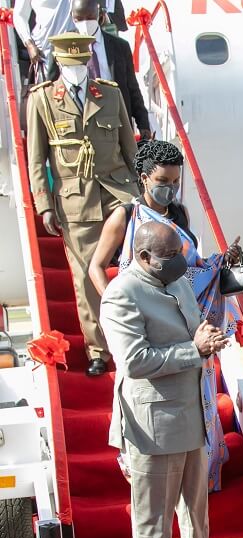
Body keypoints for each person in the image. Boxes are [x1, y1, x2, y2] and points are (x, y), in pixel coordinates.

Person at [89, 140, 242, 492]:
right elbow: (97, 266)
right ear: (144, 178)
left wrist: (220, 261)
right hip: (149, 323)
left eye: (176, 182)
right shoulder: (125, 216)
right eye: (163, 180)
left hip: (187, 318)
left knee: (198, 389)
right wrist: (118, 303)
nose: (170, 189)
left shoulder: (180, 215)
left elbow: (192, 269)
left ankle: (201, 472)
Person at [100, 221, 226, 538]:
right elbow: (133, 361)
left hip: (192, 417)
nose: (178, 261)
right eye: (169, 255)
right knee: (153, 530)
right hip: (155, 429)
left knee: (197, 523)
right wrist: (193, 351)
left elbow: (191, 330)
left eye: (179, 253)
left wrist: (208, 339)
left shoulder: (177, 281)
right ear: (143, 257)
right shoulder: (122, 294)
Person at [27, 31, 139, 376]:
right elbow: (36, 158)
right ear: (58, 63)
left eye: (81, 63)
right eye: (69, 65)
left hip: (118, 193)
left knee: (136, 266)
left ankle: (137, 338)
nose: (77, 71)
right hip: (77, 201)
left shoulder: (108, 93)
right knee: (86, 278)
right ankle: (98, 350)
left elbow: (128, 148)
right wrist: (44, 204)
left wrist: (141, 192)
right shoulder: (43, 100)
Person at [72, 0, 152, 139]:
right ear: (73, 18)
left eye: (89, 17)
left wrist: (143, 123)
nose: (85, 23)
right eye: (79, 19)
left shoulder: (120, 47)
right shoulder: (63, 49)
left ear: (99, 14)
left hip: (116, 121)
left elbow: (132, 87)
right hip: (83, 124)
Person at [14, 0, 74, 81]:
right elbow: (19, 15)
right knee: (47, 89)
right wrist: (29, 44)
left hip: (74, 46)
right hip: (45, 49)